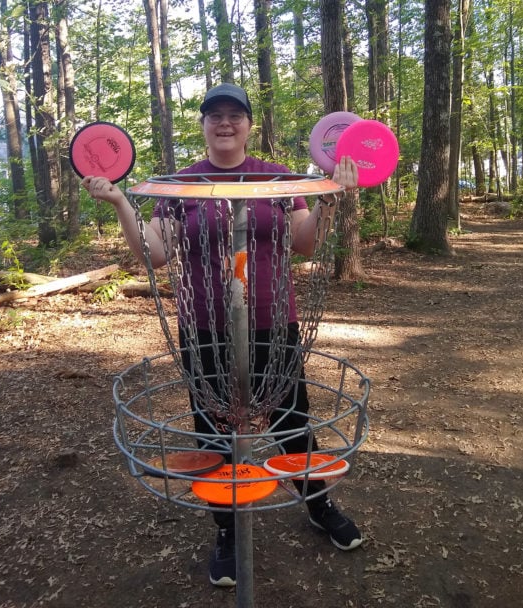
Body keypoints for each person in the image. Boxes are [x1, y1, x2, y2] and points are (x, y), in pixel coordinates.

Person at [83, 83, 362, 588]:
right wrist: (121, 201)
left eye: (236, 115)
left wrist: (331, 200)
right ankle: (228, 531)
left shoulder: (276, 178)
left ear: (250, 125)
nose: (225, 123)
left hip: (271, 322)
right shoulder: (181, 186)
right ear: (204, 125)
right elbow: (155, 254)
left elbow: (303, 242)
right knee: (212, 429)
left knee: (291, 419)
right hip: (205, 325)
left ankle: (319, 505)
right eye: (216, 115)